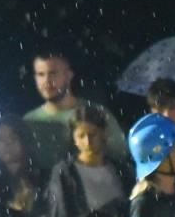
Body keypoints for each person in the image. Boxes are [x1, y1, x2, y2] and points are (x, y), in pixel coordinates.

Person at [22, 46, 128, 174]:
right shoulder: (28, 121)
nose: (47, 81)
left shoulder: (96, 113)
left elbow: (121, 154)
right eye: (40, 74)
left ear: (69, 75)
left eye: (53, 73)